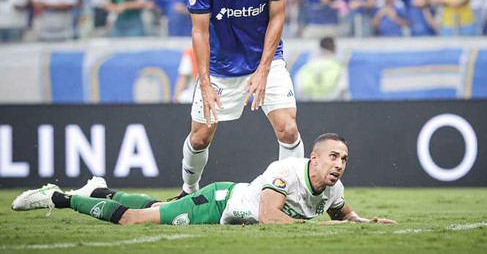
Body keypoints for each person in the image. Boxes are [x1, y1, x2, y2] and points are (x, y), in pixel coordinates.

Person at [179, 0, 304, 199]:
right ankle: (188, 190)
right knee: (200, 137)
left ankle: (283, 198)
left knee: (288, 129)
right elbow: (199, 32)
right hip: (221, 68)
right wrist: (205, 83)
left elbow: (278, 18)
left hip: (266, 60)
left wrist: (263, 70)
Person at [12, 133, 397, 226]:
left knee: (156, 207)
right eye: (334, 156)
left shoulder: (333, 187)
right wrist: (327, 233)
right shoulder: (287, 171)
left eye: (344, 158)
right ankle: (59, 197)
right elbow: (269, 217)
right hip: (218, 202)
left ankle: (100, 190)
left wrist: (364, 224)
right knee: (135, 221)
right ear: (314, 156)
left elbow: (342, 213)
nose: (340, 163)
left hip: (225, 206)